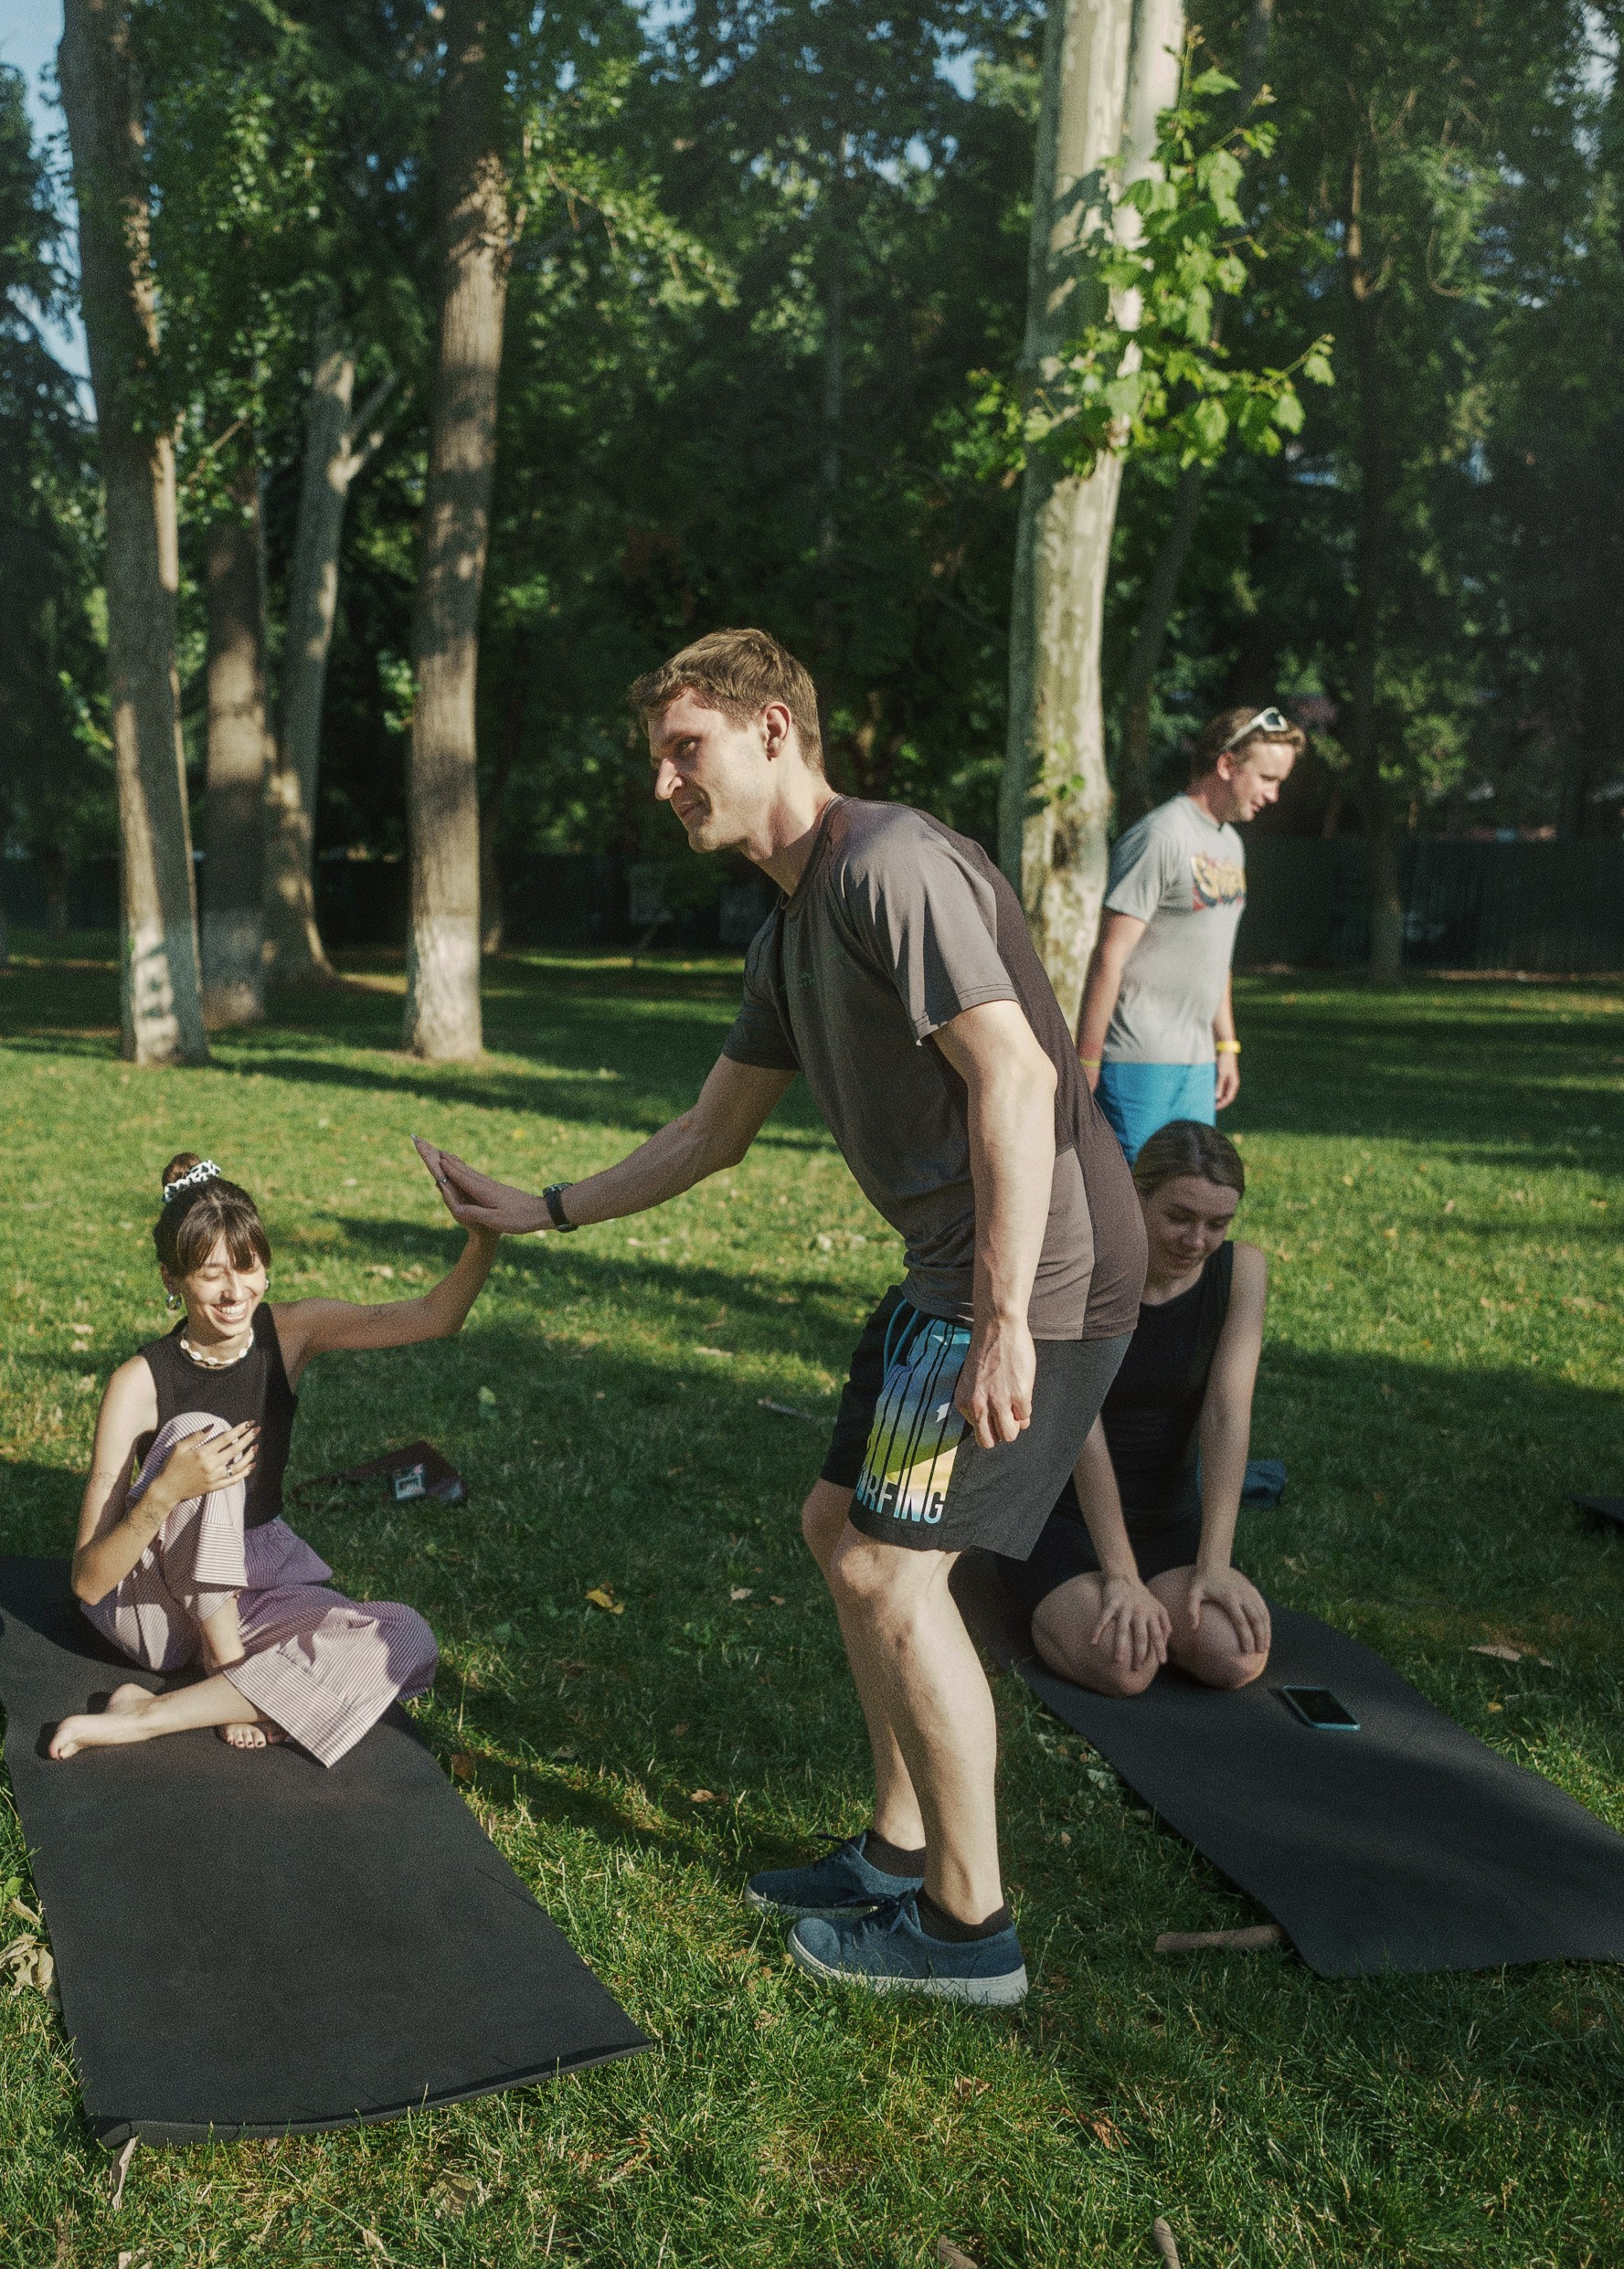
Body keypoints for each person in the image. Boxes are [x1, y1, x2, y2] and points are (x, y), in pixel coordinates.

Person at [422, 628, 1143, 2010]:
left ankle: (968, 1931)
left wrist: (1003, 1319)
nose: (664, 785)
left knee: (889, 1569)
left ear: (772, 730)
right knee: (842, 1532)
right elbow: (713, 1129)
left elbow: (1010, 1075)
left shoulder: (888, 867)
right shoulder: (793, 925)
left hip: (1040, 1265)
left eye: (683, 751)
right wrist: (544, 1208)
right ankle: (896, 1850)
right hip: (952, 1268)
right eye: (658, 761)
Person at [49, 1150, 496, 1763]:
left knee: (406, 1638)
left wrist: (483, 1237)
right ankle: (236, 1673)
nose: (235, 1292)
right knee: (202, 1430)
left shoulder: (290, 1333)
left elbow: (435, 1316)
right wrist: (162, 1493)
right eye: (209, 1274)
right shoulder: (138, 1383)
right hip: (154, 1608)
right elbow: (89, 1580)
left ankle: (148, 1715)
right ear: (171, 1280)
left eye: (248, 1266)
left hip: (258, 1583)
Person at [999, 1118, 1270, 1694]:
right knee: (1126, 1668)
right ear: (1133, 1193)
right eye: (1179, 1216)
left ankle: (1148, 1598)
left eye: (1217, 1223)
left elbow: (1227, 1413)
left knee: (1235, 1659)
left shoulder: (1241, 1271)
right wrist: (1120, 1574)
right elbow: (1080, 1424)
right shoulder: (1078, 1261)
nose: (1197, 1241)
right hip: (1062, 1515)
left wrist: (1214, 1562)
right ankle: (1031, 1590)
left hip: (1167, 1514)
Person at [1074, 704, 1304, 1163]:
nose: (1274, 795)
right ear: (1226, 765)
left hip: (1198, 1064)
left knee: (1190, 1193)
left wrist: (1226, 1045)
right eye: (1267, 779)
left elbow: (1217, 956)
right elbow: (1109, 956)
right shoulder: (1161, 835)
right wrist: (1087, 1063)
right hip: (1137, 1059)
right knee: (1138, 1199)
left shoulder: (1231, 845)